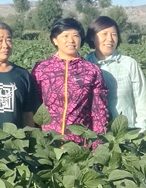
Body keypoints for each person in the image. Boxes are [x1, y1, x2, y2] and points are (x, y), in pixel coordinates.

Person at [31, 18, 109, 146]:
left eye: (75, 36)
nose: (71, 40)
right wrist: (33, 143)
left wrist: (97, 146)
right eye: (65, 36)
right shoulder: (41, 69)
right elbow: (32, 106)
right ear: (55, 40)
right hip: (47, 143)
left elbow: (99, 112)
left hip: (79, 145)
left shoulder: (91, 70)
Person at [84, 15, 146, 131]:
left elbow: (142, 101)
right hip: (95, 135)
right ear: (92, 37)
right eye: (104, 34)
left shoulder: (129, 64)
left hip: (127, 132)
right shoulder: (84, 66)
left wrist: (141, 131)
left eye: (114, 34)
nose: (110, 39)